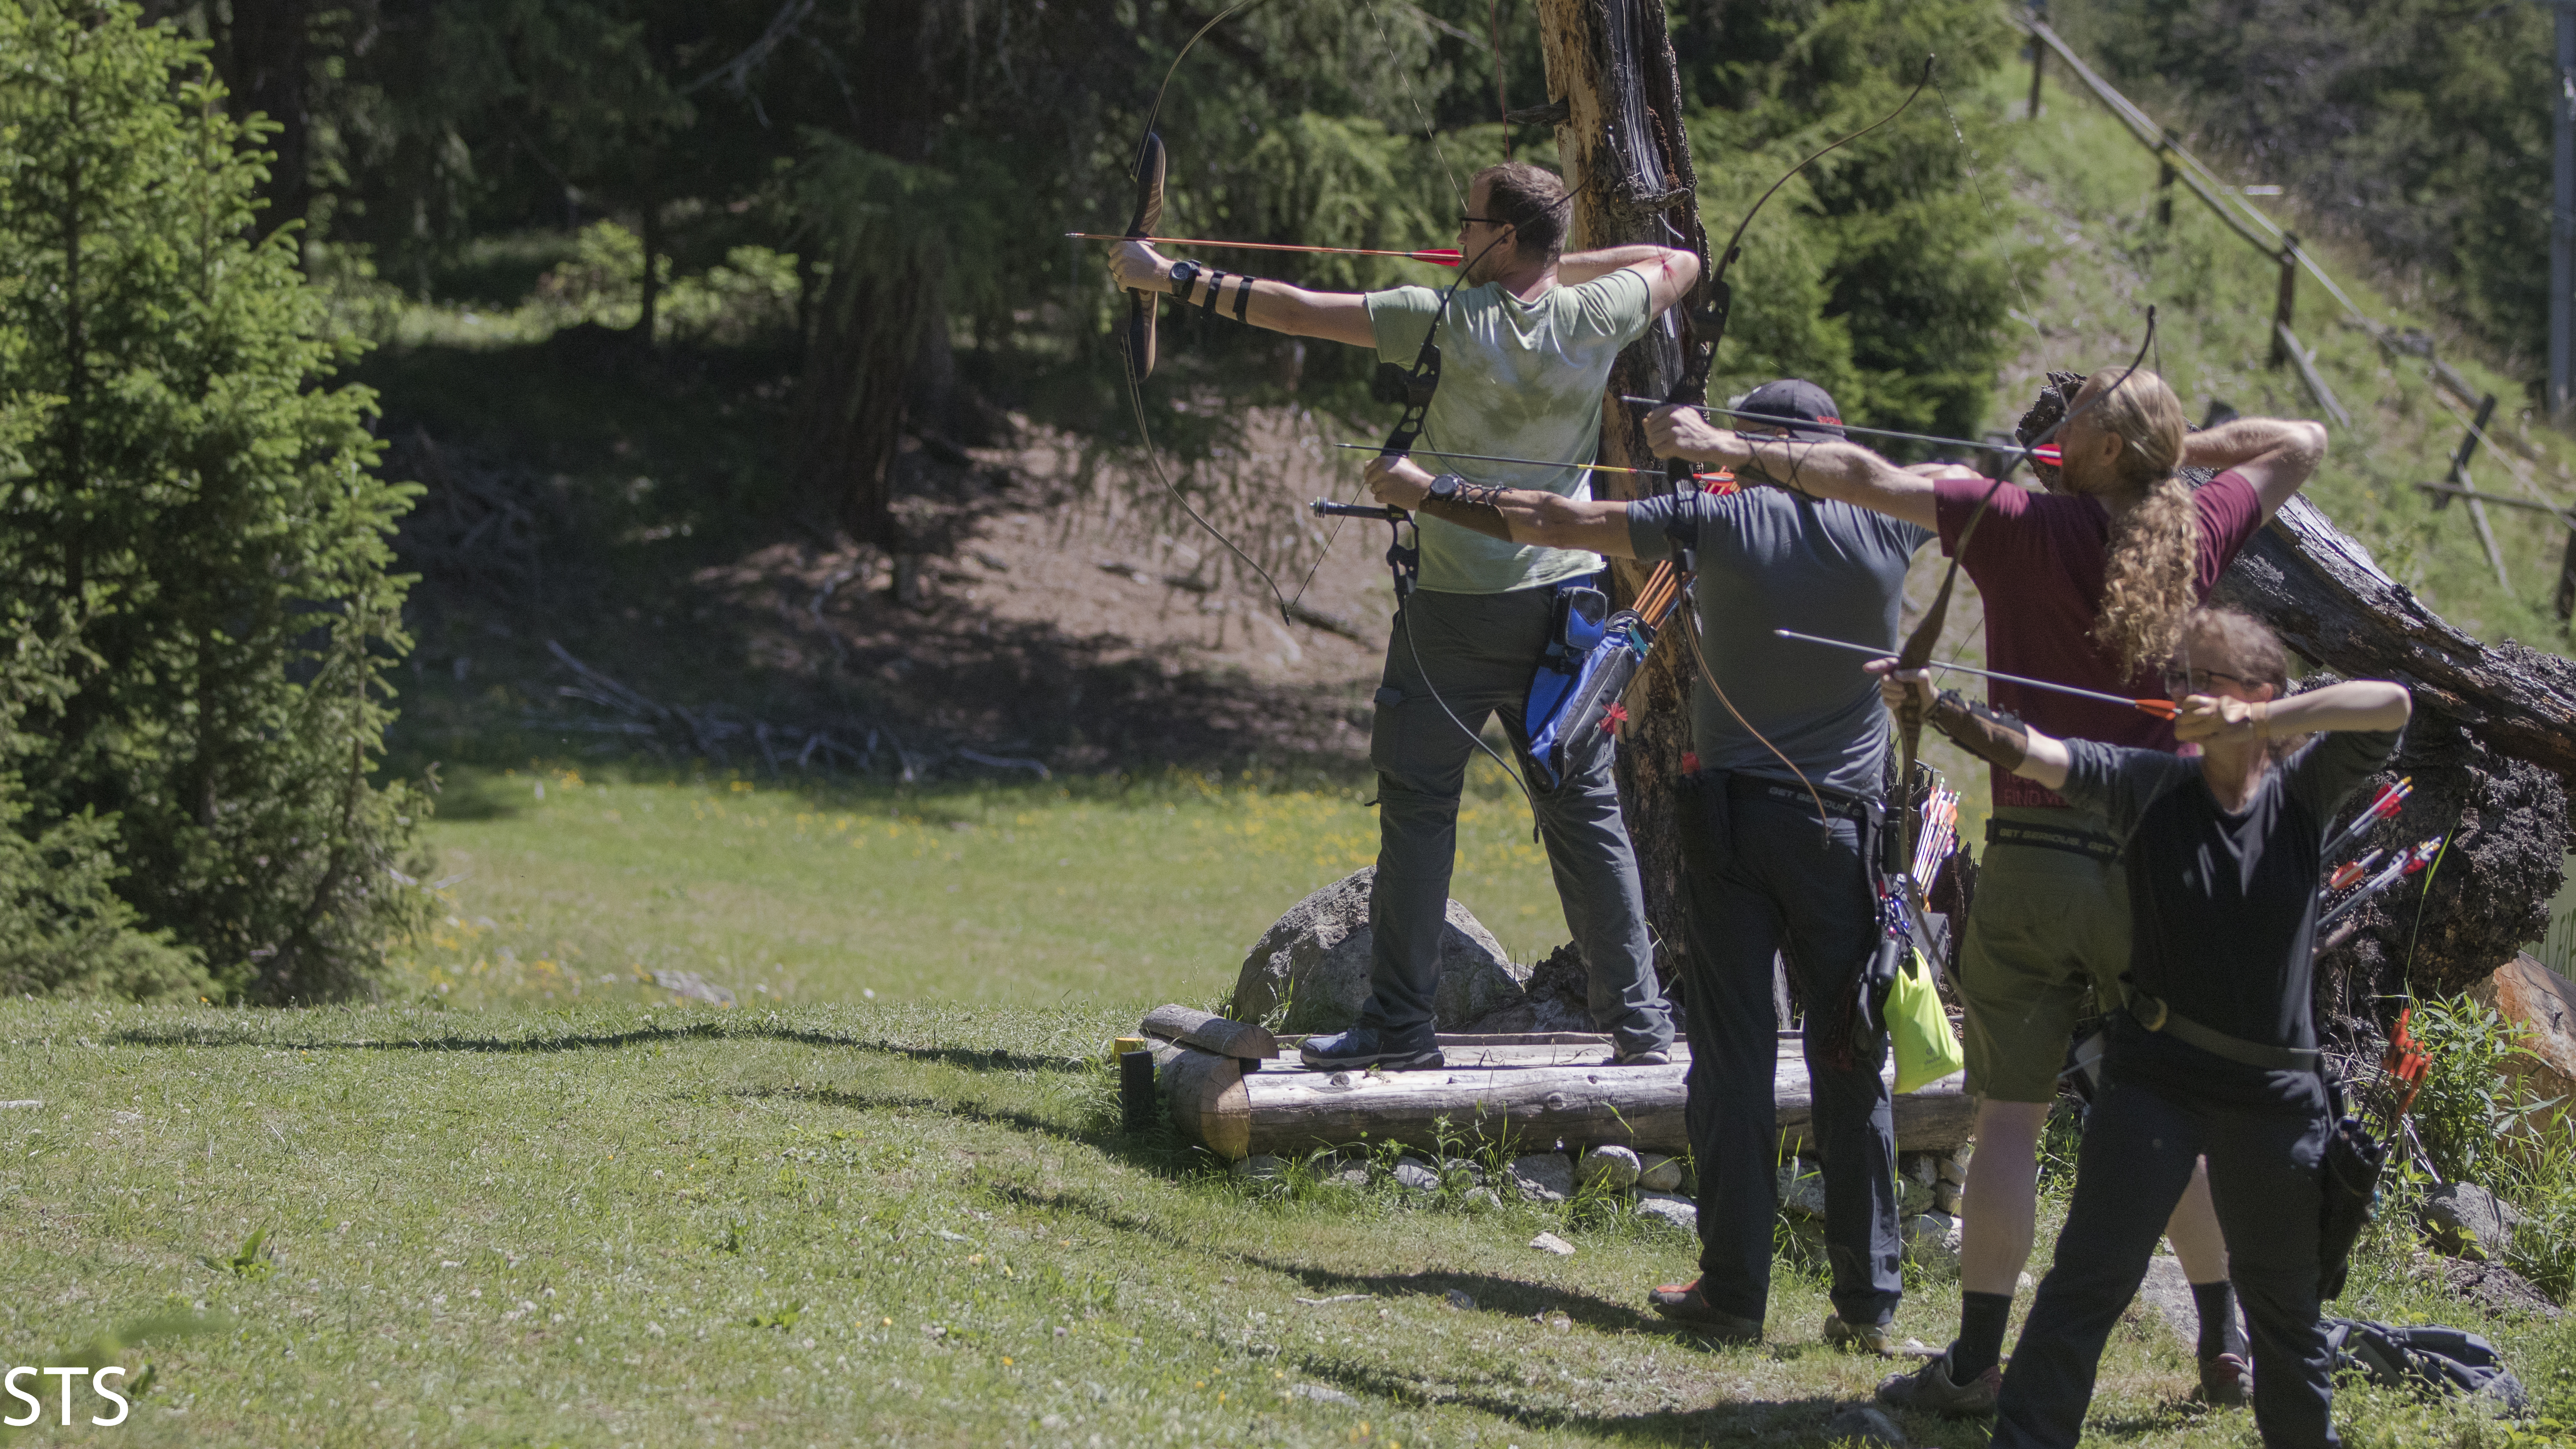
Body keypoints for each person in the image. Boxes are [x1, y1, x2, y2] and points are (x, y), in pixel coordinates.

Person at [1647, 370, 2327, 1413]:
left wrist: (1729, 449)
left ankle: (1972, 1364)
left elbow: (1863, 474)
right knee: (2177, 1107)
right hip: (2156, 868)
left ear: (2098, 448)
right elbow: (2302, 441)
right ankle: (2222, 1343)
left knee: (2011, 1118)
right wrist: (2174, 461)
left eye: (2077, 418)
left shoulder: (2015, 521)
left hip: (2034, 854)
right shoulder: (2198, 525)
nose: (2053, 427)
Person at [1365, 378, 1932, 1352]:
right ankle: (1869, 1304)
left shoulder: (1717, 516)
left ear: (1754, 445)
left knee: (1735, 1057)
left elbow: (1555, 518)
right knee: (1848, 1054)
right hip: (1843, 834)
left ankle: (1735, 1294)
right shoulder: (1891, 522)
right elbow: (1997, 485)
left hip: (1732, 827)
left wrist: (1424, 488)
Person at [1111, 162, 1694, 1070]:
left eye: (1471, 224)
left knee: (1421, 812)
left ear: (1502, 238)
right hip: (1571, 606)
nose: (1456, 236)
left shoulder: (1446, 317)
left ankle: (1401, 1028)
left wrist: (1167, 278)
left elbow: (1298, 310)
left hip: (1458, 611)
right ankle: (1644, 1030)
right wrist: (1551, 263)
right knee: (1587, 815)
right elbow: (1676, 258)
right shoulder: (1598, 311)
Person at [1877, 608, 2409, 1448]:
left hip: (2276, 1098)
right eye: (2180, 680)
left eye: (2208, 679)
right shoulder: (2148, 782)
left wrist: (2268, 722)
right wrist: (1939, 708)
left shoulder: (2306, 789)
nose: (2186, 695)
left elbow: (2391, 706)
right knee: (2086, 1283)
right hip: (2158, 1079)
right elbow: (2039, 753)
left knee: (2286, 1316)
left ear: (2260, 694)